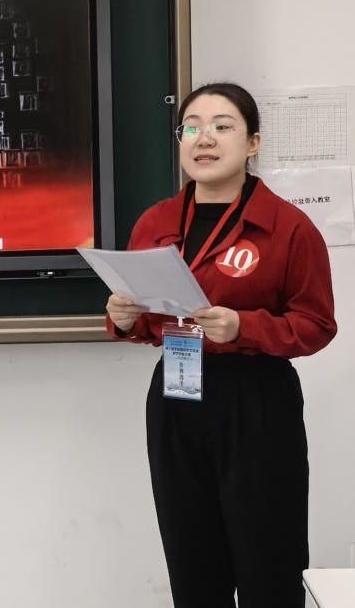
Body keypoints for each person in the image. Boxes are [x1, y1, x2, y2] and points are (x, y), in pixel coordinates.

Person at [106, 82, 336, 608]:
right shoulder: (155, 223)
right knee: (192, 561)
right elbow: (149, 318)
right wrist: (123, 319)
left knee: (267, 562)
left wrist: (244, 328)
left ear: (253, 143)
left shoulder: (288, 228)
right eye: (190, 127)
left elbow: (316, 324)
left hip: (256, 398)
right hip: (177, 393)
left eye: (222, 126)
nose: (203, 138)